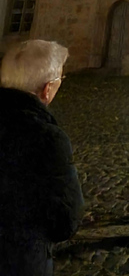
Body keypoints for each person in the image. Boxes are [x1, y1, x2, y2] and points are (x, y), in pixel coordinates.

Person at [0, 40, 84, 276]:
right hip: (20, 258)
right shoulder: (46, 137)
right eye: (60, 82)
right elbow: (66, 218)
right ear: (46, 89)